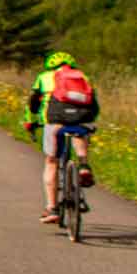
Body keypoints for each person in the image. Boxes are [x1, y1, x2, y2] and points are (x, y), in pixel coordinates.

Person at [24, 50, 99, 224]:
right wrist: (89, 120)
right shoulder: (82, 77)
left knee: (52, 161)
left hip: (54, 119)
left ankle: (52, 208)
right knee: (78, 132)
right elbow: (94, 105)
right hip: (81, 118)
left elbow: (33, 103)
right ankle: (83, 165)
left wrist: (31, 120)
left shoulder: (43, 77)